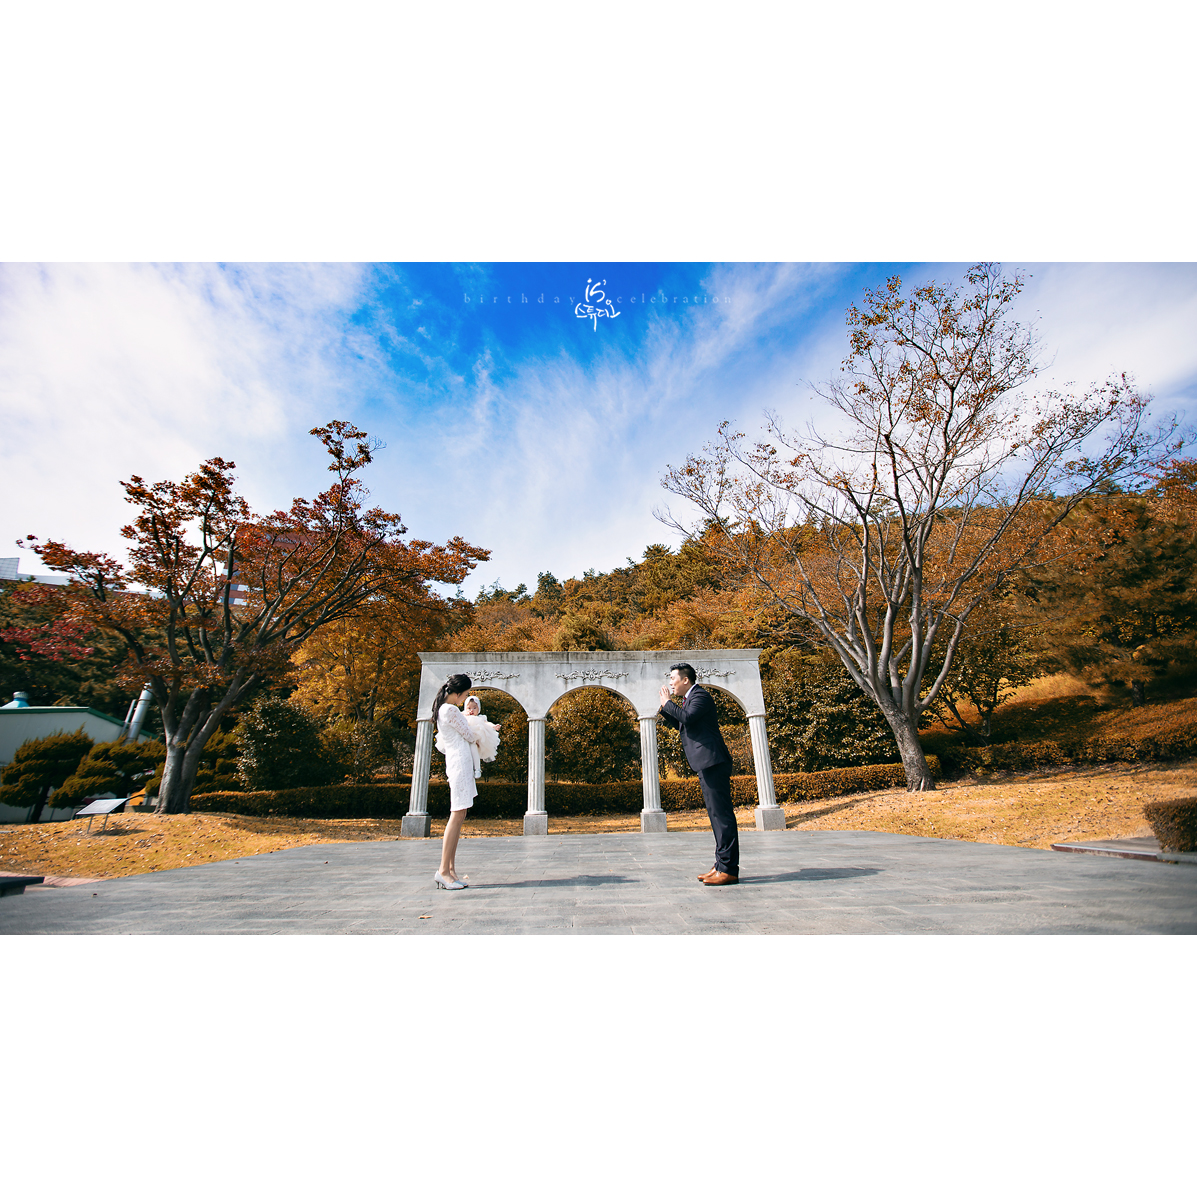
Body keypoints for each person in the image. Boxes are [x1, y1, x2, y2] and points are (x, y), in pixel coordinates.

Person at [658, 663, 739, 885]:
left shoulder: (700, 696)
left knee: (722, 816)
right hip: (706, 763)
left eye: (673, 678)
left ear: (686, 680)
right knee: (715, 815)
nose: (670, 682)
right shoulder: (688, 699)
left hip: (714, 761)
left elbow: (688, 718)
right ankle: (720, 864)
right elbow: (682, 724)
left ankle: (729, 869)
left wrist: (668, 703)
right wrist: (665, 709)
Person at [431, 673, 481, 890]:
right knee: (457, 814)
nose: (465, 699)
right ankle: (443, 870)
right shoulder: (449, 710)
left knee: (460, 814)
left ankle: (450, 870)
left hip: (459, 761)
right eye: (465, 694)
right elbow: (468, 734)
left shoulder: (443, 709)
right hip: (459, 762)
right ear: (458, 692)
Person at [462, 694, 501, 779]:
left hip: (475, 739)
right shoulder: (463, 717)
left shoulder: (480, 718)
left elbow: (487, 723)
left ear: (478, 709)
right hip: (464, 739)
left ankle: (477, 769)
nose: (472, 710)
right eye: (469, 708)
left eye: (474, 708)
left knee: (474, 749)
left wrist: (494, 726)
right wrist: (465, 714)